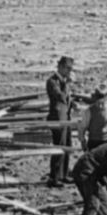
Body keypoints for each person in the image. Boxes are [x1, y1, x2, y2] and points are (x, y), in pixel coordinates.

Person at [46, 55, 75, 186]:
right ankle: (54, 177)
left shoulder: (63, 81)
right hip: (56, 118)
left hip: (66, 117)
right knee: (59, 146)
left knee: (67, 145)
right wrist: (68, 84)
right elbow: (61, 97)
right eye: (68, 68)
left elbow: (68, 99)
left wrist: (73, 104)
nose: (70, 71)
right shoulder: (52, 81)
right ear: (61, 67)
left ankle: (64, 174)